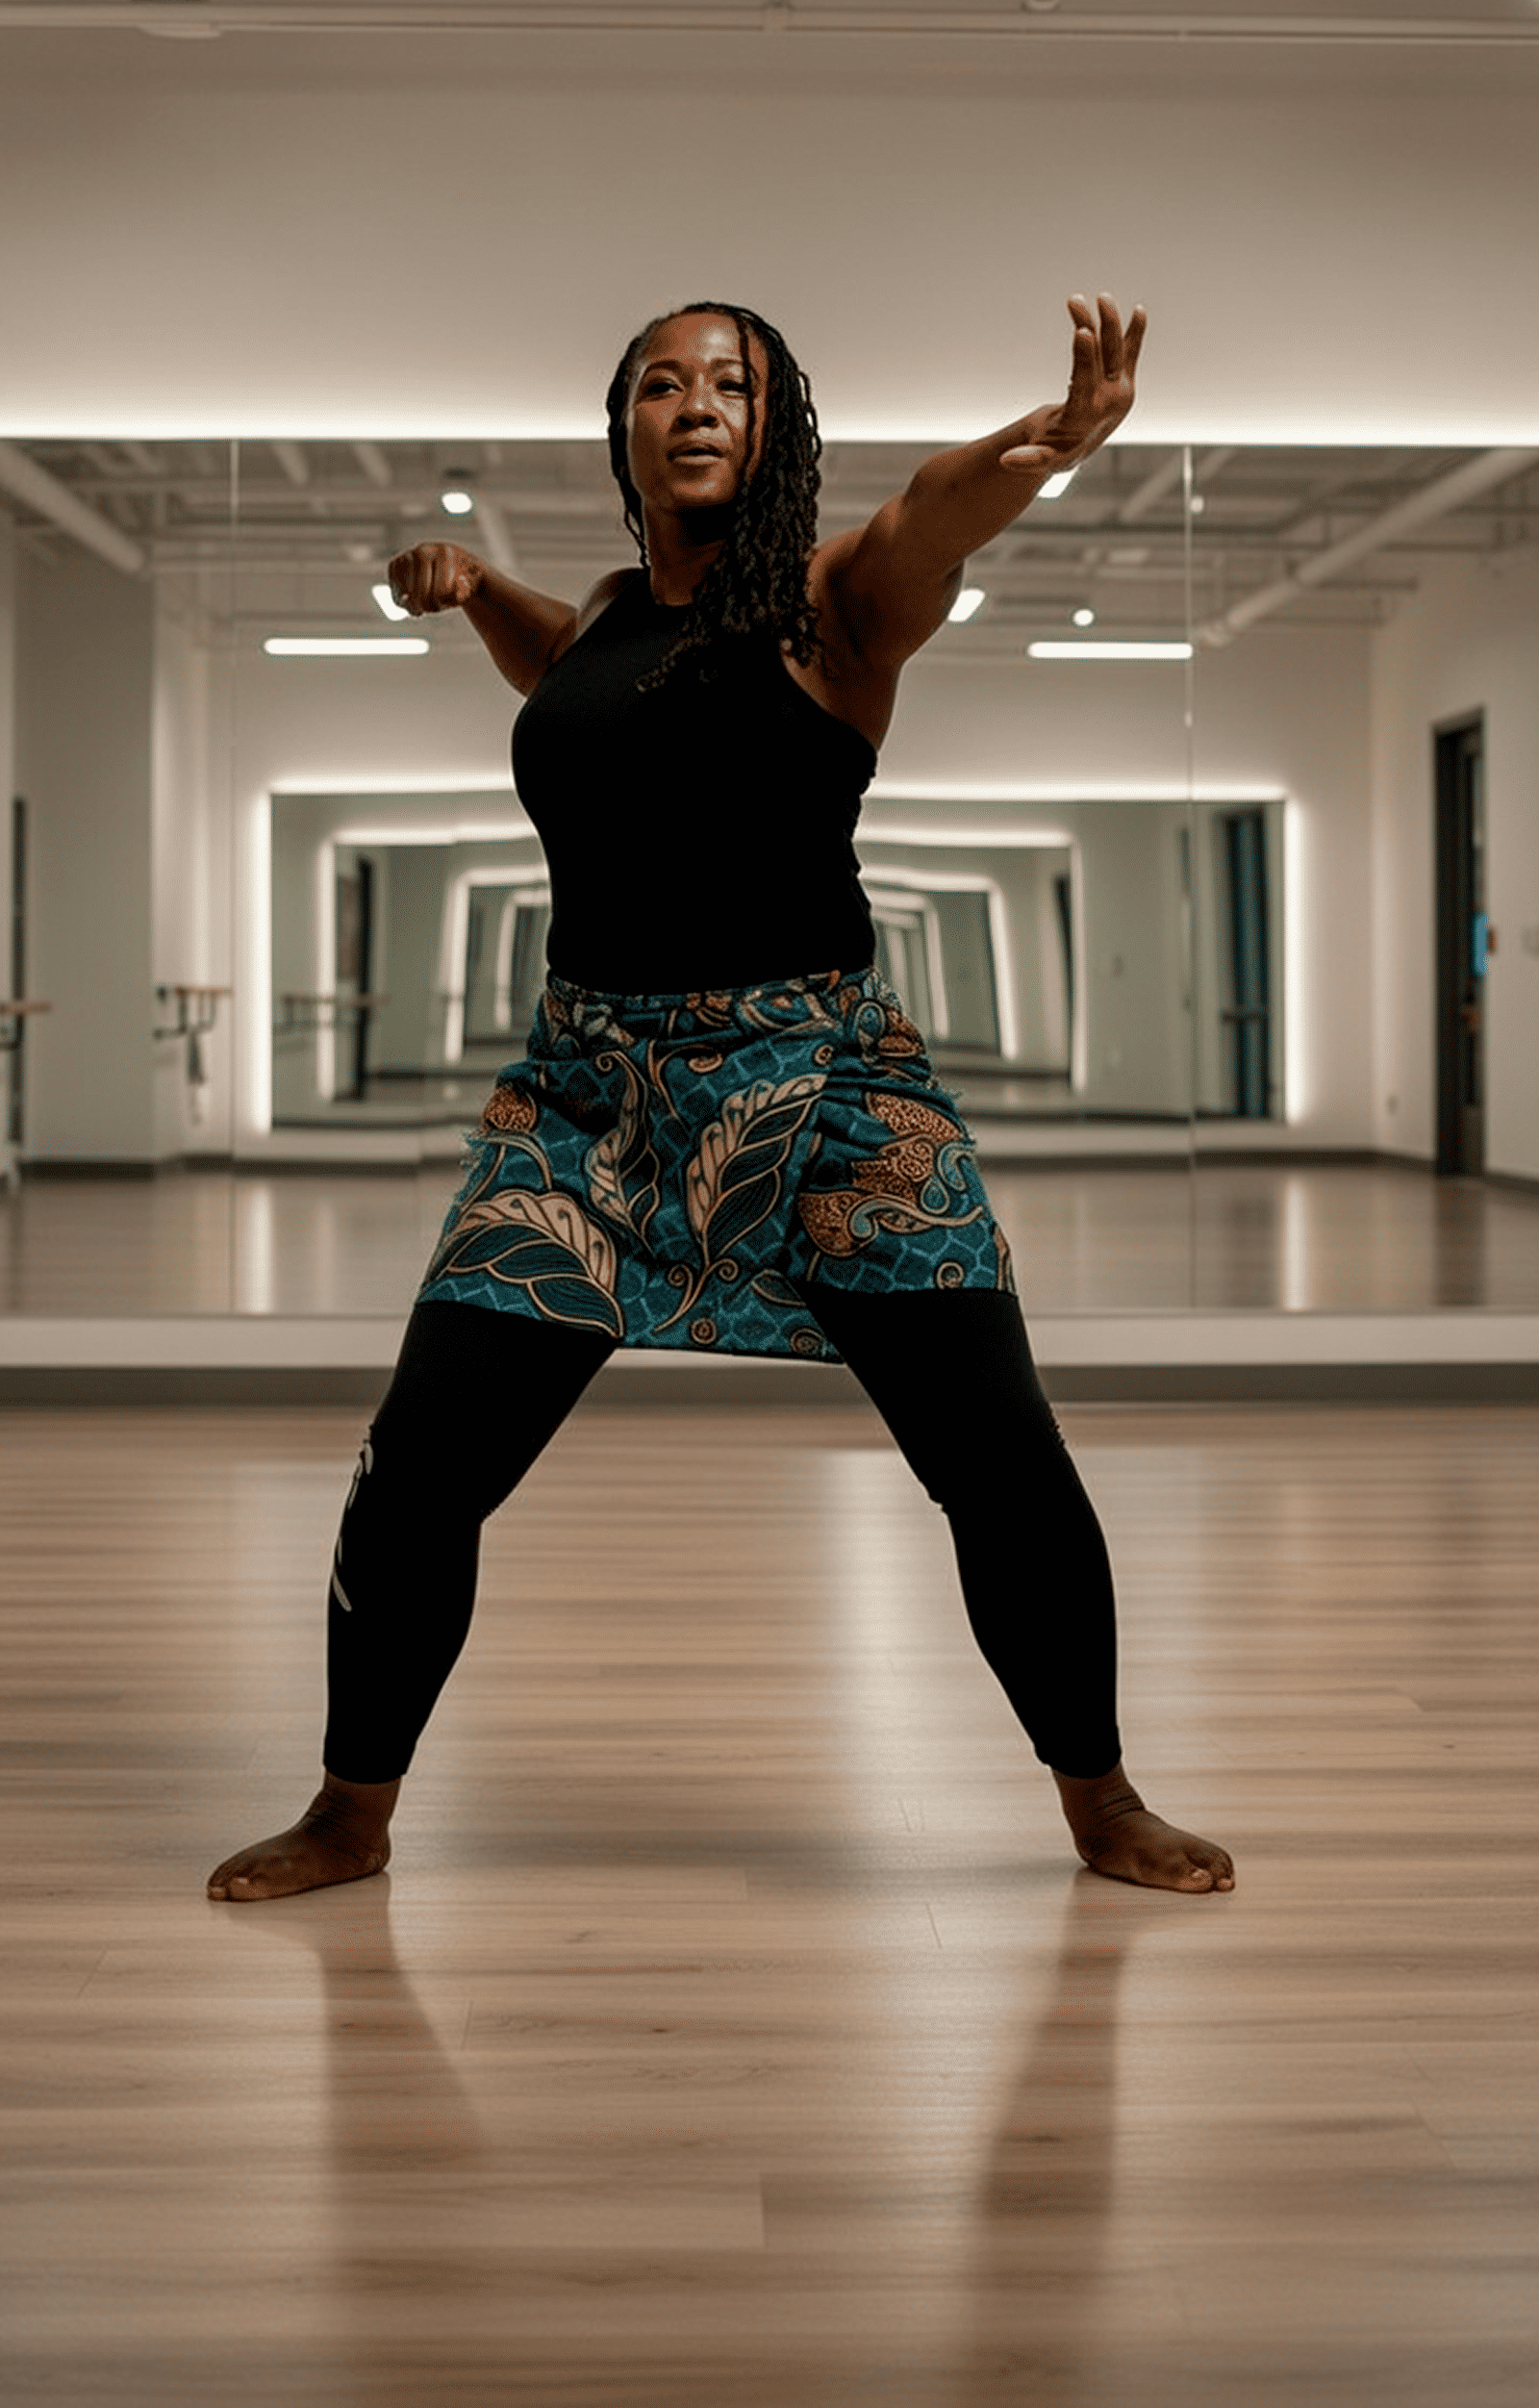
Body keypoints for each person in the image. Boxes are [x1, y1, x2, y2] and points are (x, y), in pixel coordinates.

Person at [209, 292, 1234, 1903]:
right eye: (663, 385)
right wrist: (477, 585)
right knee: (421, 1465)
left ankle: (1101, 1798)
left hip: (831, 1094)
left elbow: (924, 518)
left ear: (776, 431)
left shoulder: (837, 612)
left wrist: (1035, 447)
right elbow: (565, 663)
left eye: (734, 385)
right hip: (588, 1103)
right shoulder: (609, 616)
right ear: (621, 428)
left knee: (1002, 1462)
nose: (697, 404)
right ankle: (350, 1809)